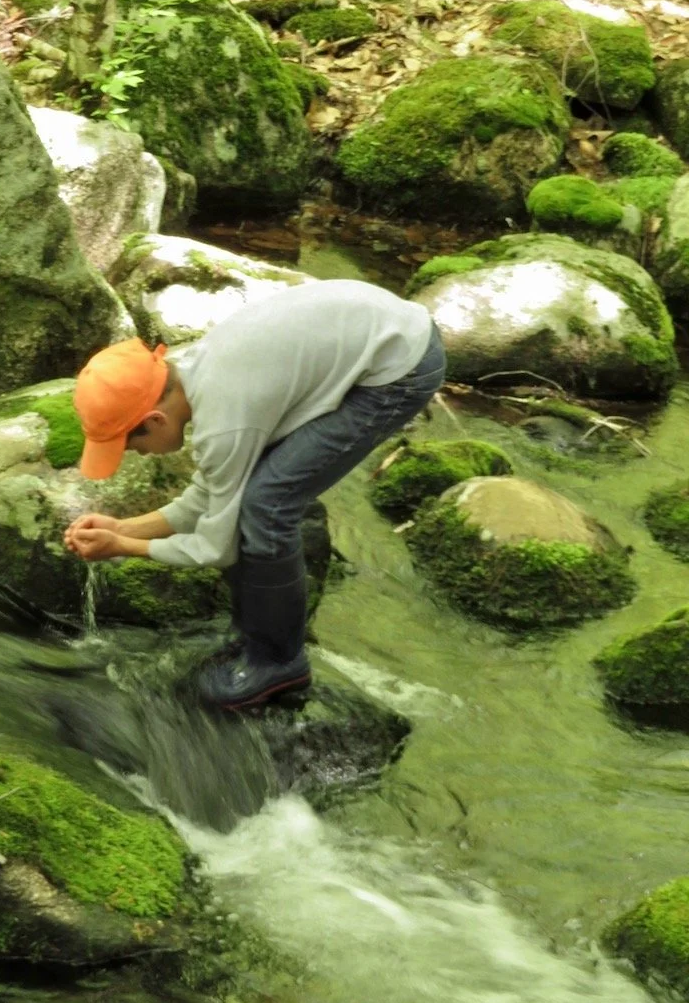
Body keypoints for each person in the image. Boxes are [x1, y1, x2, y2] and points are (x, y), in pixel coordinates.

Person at [64, 278, 446, 711]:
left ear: (154, 419)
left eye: (131, 445)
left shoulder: (224, 419)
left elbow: (215, 547)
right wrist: (123, 526)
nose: (139, 455)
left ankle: (280, 662)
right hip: (378, 333)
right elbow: (211, 493)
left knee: (268, 504)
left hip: (399, 367)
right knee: (258, 495)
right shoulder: (196, 376)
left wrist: (123, 547)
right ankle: (257, 639)